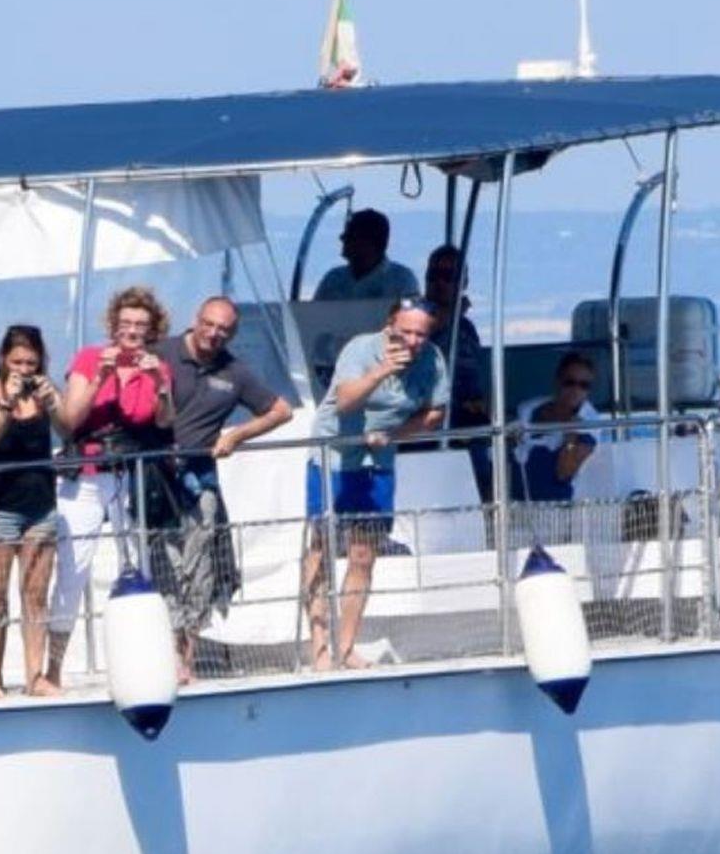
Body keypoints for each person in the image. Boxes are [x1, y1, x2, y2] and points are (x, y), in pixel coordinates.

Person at [303, 296, 449, 670]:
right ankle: (319, 646)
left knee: (363, 554)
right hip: (335, 456)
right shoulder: (361, 349)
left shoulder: (432, 359)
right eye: (405, 332)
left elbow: (435, 413)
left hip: (377, 460)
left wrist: (395, 435)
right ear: (389, 326)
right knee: (322, 546)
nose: (413, 341)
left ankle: (345, 645)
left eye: (421, 334)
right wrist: (382, 371)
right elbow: (345, 402)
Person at [155, 296, 294, 681]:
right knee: (164, 563)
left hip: (200, 479)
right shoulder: (162, 352)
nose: (213, 334)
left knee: (200, 567)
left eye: (223, 329)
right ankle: (162, 649)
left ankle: (186, 658)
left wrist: (235, 436)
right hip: (155, 477)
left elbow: (281, 411)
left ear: (232, 334)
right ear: (195, 320)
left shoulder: (235, 372)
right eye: (209, 324)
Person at [45, 286, 177, 687]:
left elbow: (164, 421)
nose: (132, 332)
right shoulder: (90, 358)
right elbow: (70, 419)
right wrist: (101, 376)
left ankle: (145, 664)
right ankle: (52, 669)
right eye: (125, 324)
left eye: (140, 325)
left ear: (152, 330)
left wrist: (160, 384)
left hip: (126, 474)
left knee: (138, 564)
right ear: (114, 326)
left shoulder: (157, 367)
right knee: (73, 569)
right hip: (86, 472)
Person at [0, 325, 66, 698]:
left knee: (35, 595)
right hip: (0, 507)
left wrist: (53, 402)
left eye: (31, 363)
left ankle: (34, 676)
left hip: (41, 505)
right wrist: (8, 402)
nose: (24, 369)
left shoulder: (44, 392)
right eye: (17, 362)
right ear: (3, 359)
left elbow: (68, 429)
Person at [425, 243, 493, 500]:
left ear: (463, 283)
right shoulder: (414, 320)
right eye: (434, 276)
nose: (439, 283)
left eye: (448, 276)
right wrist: (451, 314)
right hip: (431, 419)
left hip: (468, 419)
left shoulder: (466, 328)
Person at [513, 351, 602, 502]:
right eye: (570, 382)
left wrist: (571, 433)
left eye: (584, 385)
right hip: (515, 502)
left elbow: (564, 473)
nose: (576, 390)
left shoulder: (589, 422)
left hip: (555, 506)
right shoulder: (529, 409)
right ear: (558, 380)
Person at [313, 209, 419, 302]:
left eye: (350, 235)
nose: (342, 238)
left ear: (371, 242)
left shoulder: (402, 280)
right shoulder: (333, 279)